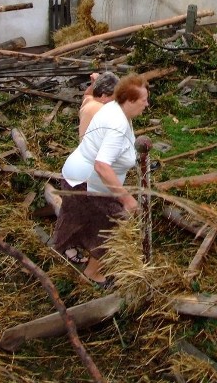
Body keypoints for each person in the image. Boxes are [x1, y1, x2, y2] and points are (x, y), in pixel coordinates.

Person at [51, 74, 149, 286]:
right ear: (130, 101)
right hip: (89, 182)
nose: (147, 105)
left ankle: (66, 249)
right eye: (143, 101)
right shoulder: (116, 125)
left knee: (80, 216)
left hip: (77, 175)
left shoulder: (115, 108)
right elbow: (102, 166)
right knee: (114, 224)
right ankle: (92, 274)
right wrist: (126, 199)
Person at [79, 71, 119, 139]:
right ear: (104, 96)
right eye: (114, 98)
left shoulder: (88, 101)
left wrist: (94, 83)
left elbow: (87, 94)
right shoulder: (99, 109)